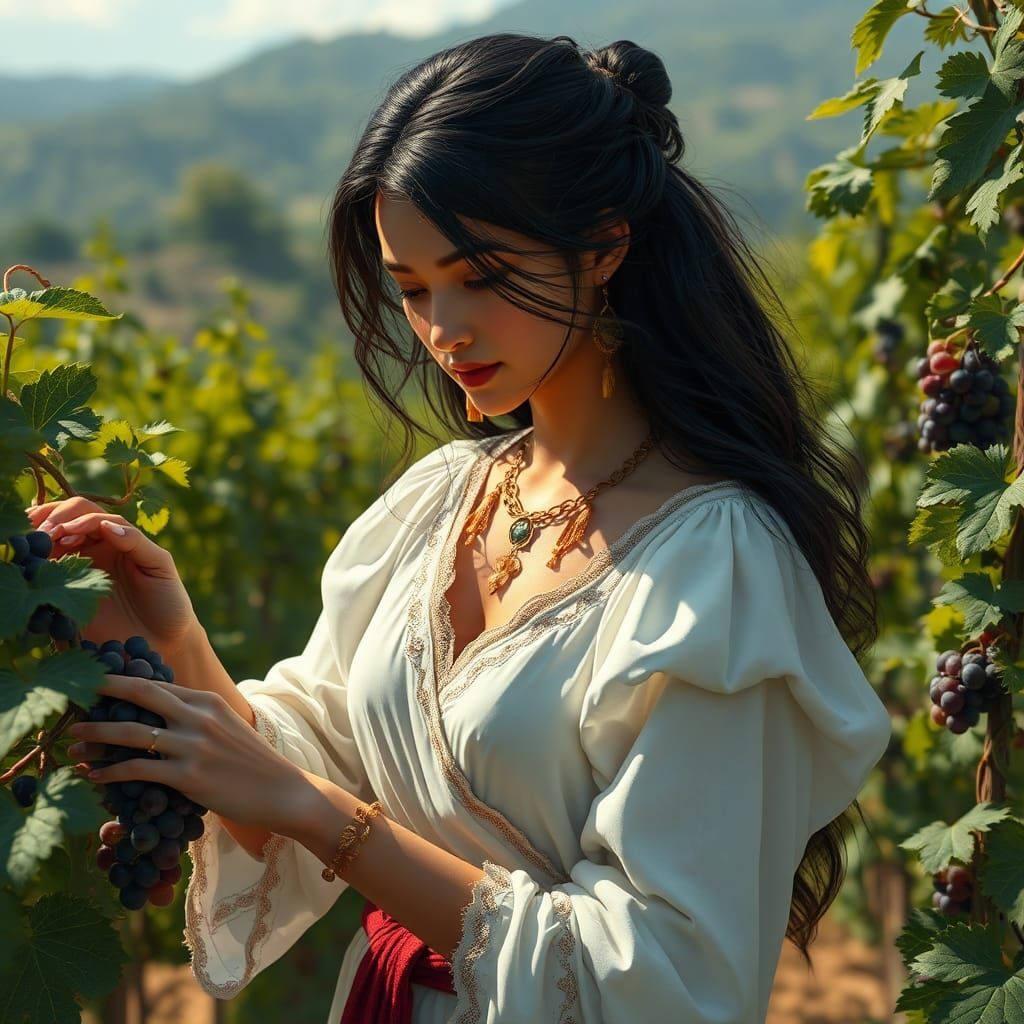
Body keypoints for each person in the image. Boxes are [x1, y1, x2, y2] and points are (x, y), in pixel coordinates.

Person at [45, 32, 891, 1024]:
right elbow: (299, 766)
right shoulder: (440, 502)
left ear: (605, 245)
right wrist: (171, 634)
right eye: (410, 288)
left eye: (479, 273)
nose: (442, 325)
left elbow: (668, 979)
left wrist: (327, 819)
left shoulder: (714, 569)